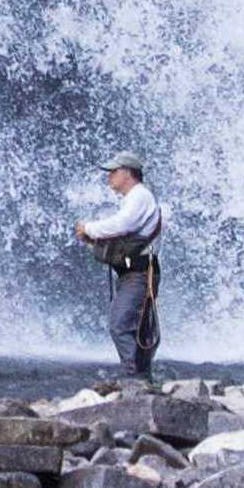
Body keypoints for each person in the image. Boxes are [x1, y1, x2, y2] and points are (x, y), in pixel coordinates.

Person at [71, 150, 164, 382]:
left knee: (121, 324)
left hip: (139, 273)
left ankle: (134, 378)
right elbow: (125, 233)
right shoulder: (136, 198)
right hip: (134, 272)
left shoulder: (139, 196)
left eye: (113, 172)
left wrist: (88, 228)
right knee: (137, 326)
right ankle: (141, 377)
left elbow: (123, 224)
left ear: (127, 173)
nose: (109, 177)